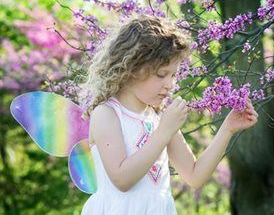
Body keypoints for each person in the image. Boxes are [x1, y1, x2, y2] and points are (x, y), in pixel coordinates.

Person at [80, 14, 259, 215]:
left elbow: (194, 175)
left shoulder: (158, 118)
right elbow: (122, 179)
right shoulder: (107, 114)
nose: (170, 84)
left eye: (173, 75)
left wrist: (227, 129)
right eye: (161, 75)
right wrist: (164, 130)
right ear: (131, 68)